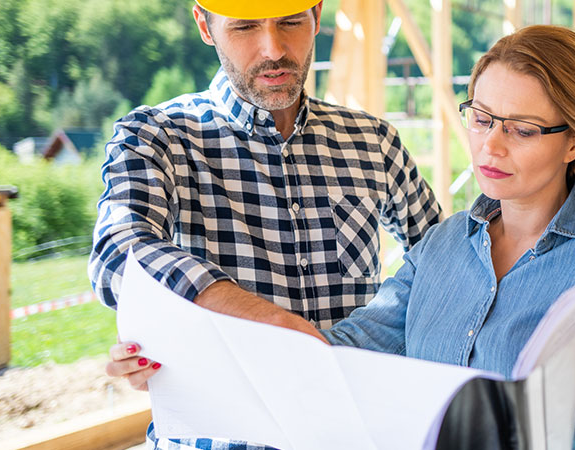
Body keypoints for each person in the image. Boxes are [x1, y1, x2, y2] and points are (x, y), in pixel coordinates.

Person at [114, 23, 575, 450]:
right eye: (482, 117)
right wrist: (181, 360)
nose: (491, 145)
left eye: (523, 129)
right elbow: (333, 356)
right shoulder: (439, 249)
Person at [95, 1, 439, 448]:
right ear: (205, 24)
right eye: (244, 28)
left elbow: (444, 261)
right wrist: (262, 322)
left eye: (291, 23)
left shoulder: (372, 141)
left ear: (316, 15)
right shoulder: (157, 137)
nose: (273, 49)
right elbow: (119, 251)